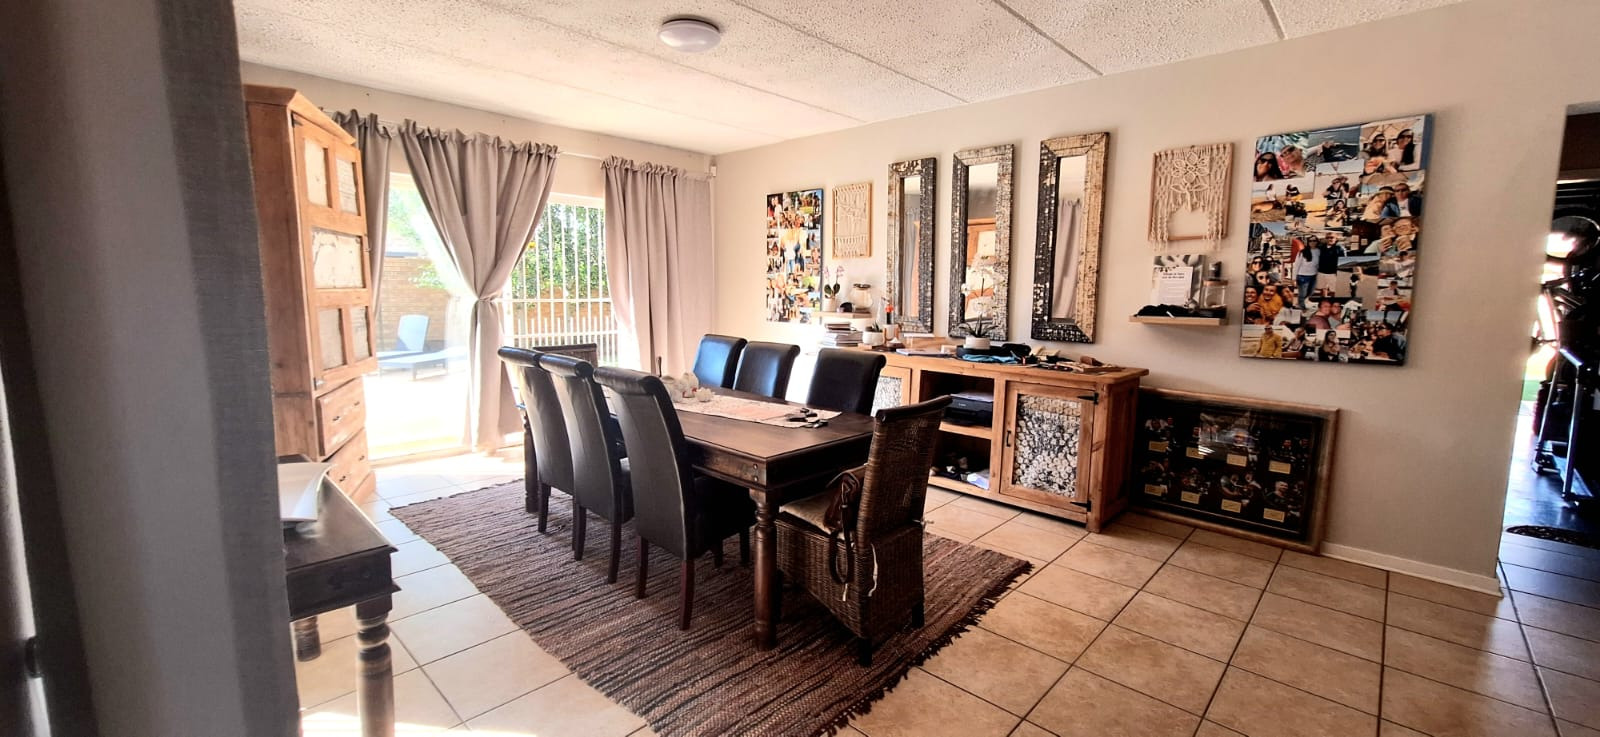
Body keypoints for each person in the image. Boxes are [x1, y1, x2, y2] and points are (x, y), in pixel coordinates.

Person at [1295, 243, 1319, 309]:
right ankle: (1301, 306)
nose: (1312, 242)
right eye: (1311, 241)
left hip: (1313, 275)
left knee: (1311, 292)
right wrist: (1294, 278)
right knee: (1302, 293)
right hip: (1302, 276)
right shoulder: (1302, 252)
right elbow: (1297, 265)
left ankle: (1300, 303)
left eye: (1314, 241)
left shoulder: (1319, 251)